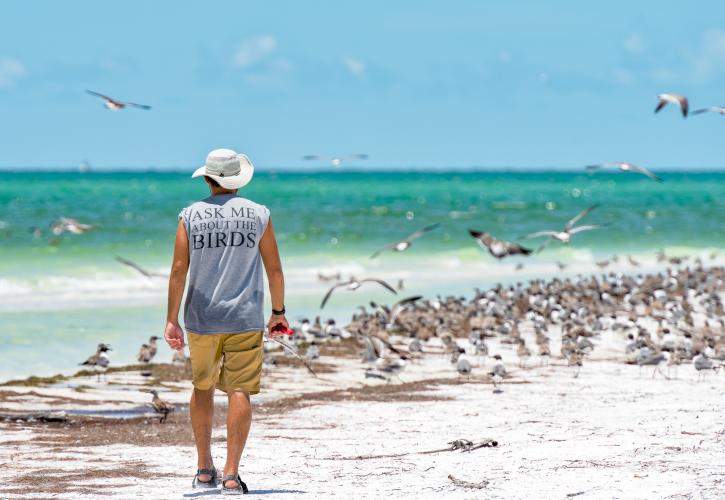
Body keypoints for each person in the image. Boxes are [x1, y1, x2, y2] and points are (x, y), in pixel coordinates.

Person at [164, 148, 288, 495]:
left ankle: (205, 468)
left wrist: (171, 320)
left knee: (202, 386)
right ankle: (231, 473)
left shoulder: (190, 215)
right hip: (245, 318)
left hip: (201, 318)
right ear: (237, 181)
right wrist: (278, 313)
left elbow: (177, 271)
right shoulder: (259, 214)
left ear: (207, 178)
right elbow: (274, 270)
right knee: (239, 389)